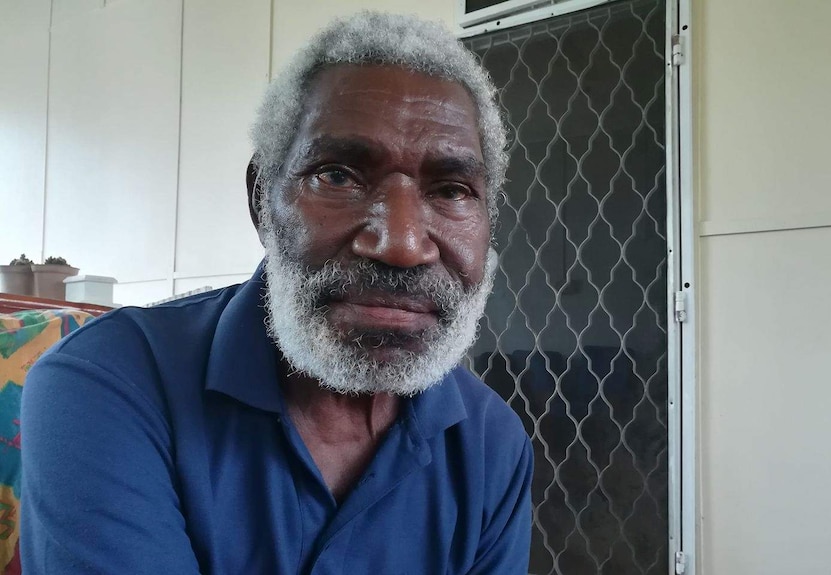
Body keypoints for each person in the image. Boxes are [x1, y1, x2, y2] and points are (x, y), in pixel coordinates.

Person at [20, 11, 533, 575]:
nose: (404, 244)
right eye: (337, 175)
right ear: (262, 200)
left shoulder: (491, 445)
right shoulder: (107, 383)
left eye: (453, 189)